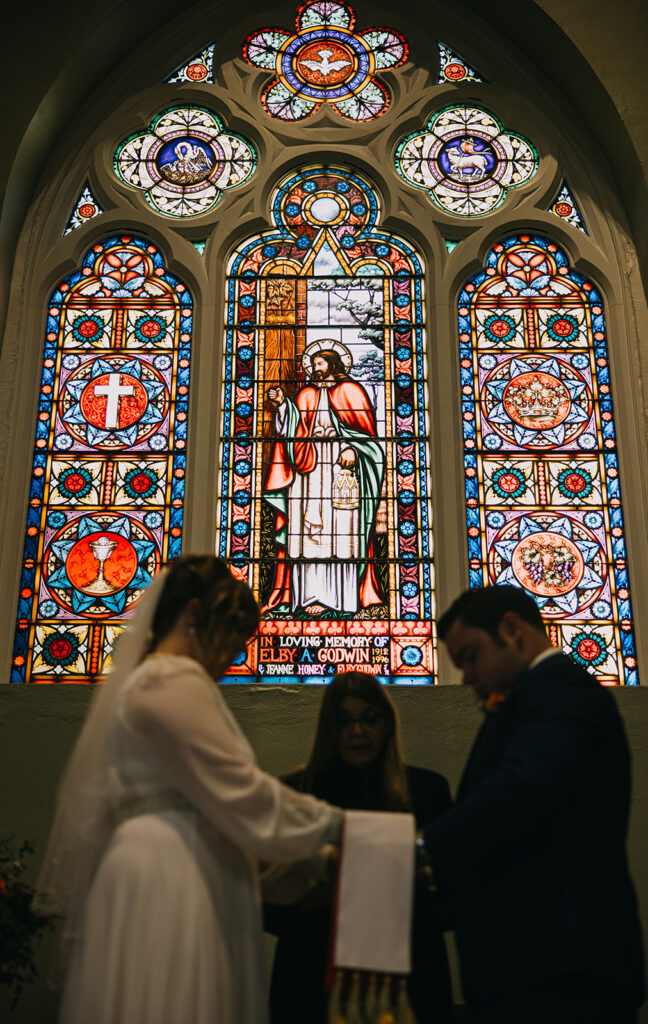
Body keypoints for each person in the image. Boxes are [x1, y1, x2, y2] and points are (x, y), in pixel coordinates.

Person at [33, 555, 343, 1024]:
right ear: (195, 615)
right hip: (169, 869)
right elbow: (241, 793)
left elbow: (225, 808)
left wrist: (312, 863)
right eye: (230, 639)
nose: (230, 660)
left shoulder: (158, 682)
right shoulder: (169, 678)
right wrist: (338, 825)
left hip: (188, 858)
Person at [421, 584, 645, 1024]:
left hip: (563, 969)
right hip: (534, 967)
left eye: (470, 656)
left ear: (511, 628)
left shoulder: (563, 693)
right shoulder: (529, 700)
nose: (466, 675)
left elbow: (518, 791)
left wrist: (419, 850)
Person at [264, 670, 455, 1024]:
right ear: (328, 728)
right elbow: (268, 905)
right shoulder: (296, 793)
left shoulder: (426, 791)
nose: (357, 732)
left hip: (409, 975)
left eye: (369, 719)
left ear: (387, 723)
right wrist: (315, 898)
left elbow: (454, 892)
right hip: (313, 975)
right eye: (344, 721)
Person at [263, 340, 385, 617]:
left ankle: (343, 601)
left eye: (320, 364)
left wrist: (352, 448)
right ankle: (307, 598)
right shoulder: (305, 394)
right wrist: (283, 406)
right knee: (306, 532)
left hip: (341, 469)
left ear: (334, 365)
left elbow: (366, 434)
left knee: (341, 530)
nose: (315, 369)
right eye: (313, 365)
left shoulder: (351, 391)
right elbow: (293, 429)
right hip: (308, 470)